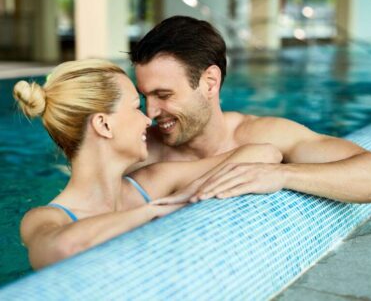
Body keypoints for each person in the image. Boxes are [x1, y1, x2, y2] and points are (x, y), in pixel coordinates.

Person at [13, 59, 281, 269]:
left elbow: (265, 153)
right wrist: (158, 211)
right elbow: (64, 250)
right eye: (135, 107)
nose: (148, 119)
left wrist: (192, 191)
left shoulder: (152, 181)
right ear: (104, 124)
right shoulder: (45, 219)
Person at [130, 15, 371, 205]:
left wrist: (280, 174)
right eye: (144, 97)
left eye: (163, 95)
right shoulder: (139, 150)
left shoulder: (262, 135)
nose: (150, 112)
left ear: (210, 83)